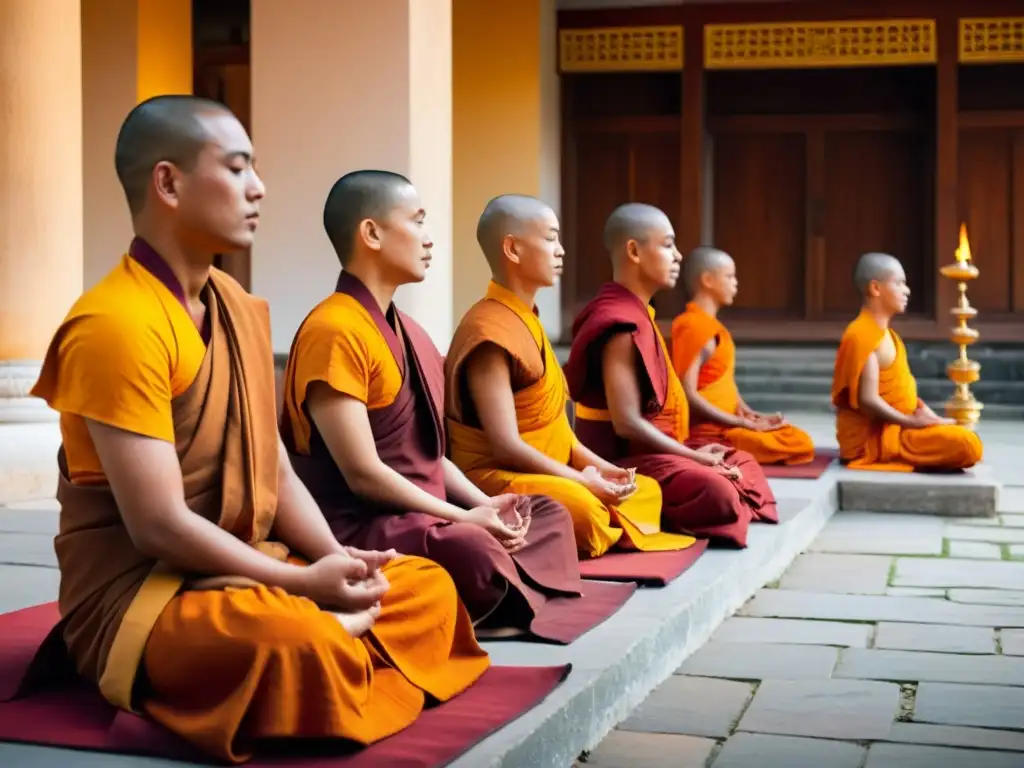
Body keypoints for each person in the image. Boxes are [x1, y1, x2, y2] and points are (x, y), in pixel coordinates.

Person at [24, 96, 489, 764]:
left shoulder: (239, 309)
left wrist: (336, 559)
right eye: (238, 168)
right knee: (298, 642)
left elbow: (268, 462)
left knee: (428, 589)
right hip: (146, 596)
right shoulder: (115, 324)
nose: (259, 188)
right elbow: (156, 528)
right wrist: (304, 588)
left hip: (250, 566)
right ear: (168, 183)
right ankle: (333, 643)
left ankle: (337, 636)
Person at [280, 170, 611, 641]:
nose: (430, 240)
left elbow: (431, 458)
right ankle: (487, 597)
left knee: (546, 514)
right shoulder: (334, 330)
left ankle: (492, 596)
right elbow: (364, 475)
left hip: (428, 511)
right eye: (417, 221)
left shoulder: (410, 331)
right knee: (472, 549)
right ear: (371, 233)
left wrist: (486, 505)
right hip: (365, 524)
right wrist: (464, 518)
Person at [444, 194, 698, 559]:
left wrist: (607, 472)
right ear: (513, 249)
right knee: (584, 507)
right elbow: (506, 447)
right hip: (497, 477)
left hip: (545, 470)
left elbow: (561, 437)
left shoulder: (526, 319)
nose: (561, 250)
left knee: (641, 489)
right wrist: (583, 481)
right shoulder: (488, 331)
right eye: (550, 238)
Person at [564, 204, 777, 548]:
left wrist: (689, 452)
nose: (678, 256)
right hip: (622, 463)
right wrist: (691, 457)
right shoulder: (619, 323)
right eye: (667, 245)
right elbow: (627, 424)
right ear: (633, 251)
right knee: (718, 492)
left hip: (660, 451)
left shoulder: (640, 314)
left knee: (742, 461)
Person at [832, 252, 983, 471]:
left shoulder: (889, 335)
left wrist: (931, 418)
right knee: (967, 445)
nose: (907, 290)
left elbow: (902, 393)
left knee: (966, 437)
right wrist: (914, 423)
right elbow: (867, 400)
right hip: (875, 438)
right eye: (899, 283)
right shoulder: (861, 335)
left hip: (899, 427)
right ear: (875, 288)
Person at [670, 246, 815, 466]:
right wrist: (741, 422)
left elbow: (725, 383)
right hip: (710, 432)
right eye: (729, 276)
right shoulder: (692, 326)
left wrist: (753, 415)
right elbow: (687, 393)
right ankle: (714, 450)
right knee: (797, 443)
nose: (735, 283)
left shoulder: (713, 327)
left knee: (792, 434)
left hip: (729, 425)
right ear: (707, 280)